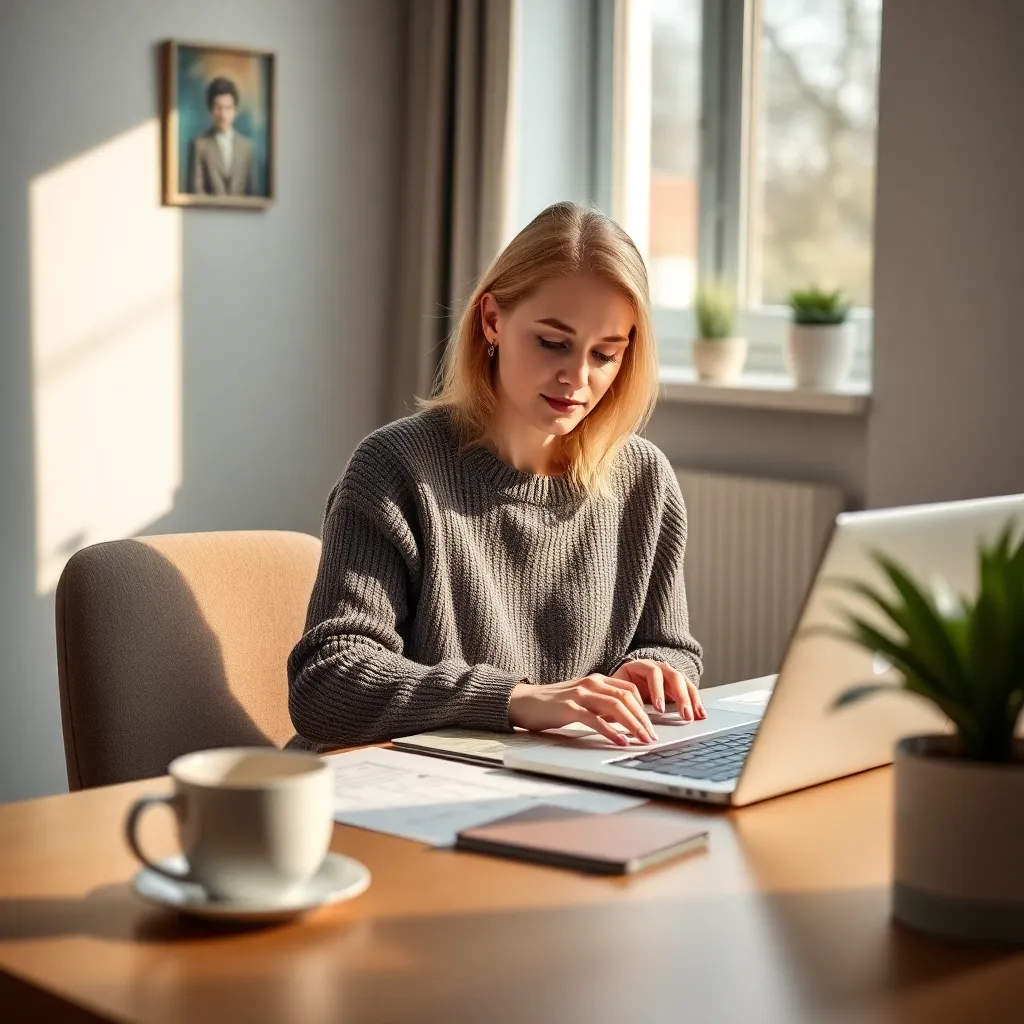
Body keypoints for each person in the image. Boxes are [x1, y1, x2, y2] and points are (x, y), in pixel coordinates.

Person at [287, 201, 704, 753]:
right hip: (413, 793)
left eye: (605, 354)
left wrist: (652, 670)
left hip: (570, 783)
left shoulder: (644, 481)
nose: (575, 377)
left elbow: (671, 648)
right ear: (492, 321)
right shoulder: (396, 468)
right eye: (553, 342)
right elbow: (327, 683)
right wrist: (515, 700)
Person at [187, 76, 257, 196]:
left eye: (228, 108)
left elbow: (254, 193)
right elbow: (195, 190)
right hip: (206, 213)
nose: (223, 114)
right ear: (210, 110)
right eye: (218, 108)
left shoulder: (247, 147)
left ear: (236, 110)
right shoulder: (199, 144)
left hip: (242, 214)